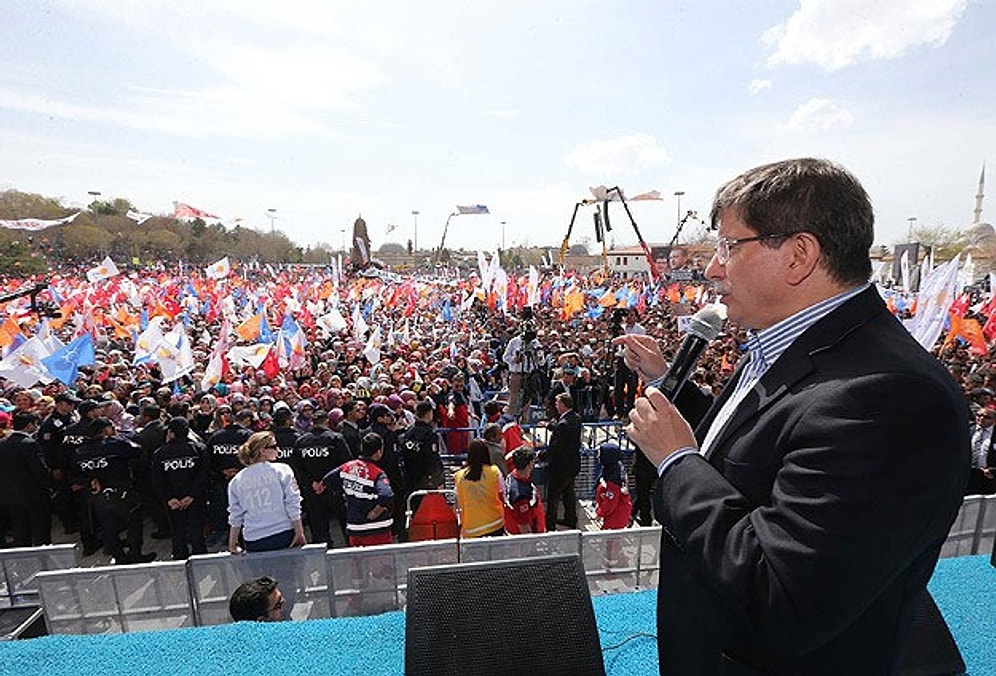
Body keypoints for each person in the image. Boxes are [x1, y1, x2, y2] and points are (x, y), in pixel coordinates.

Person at [615, 158, 969, 674]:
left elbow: (786, 599)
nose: (712, 268)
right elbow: (758, 447)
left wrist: (676, 460)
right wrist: (671, 395)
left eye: (729, 247)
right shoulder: (789, 345)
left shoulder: (890, 398)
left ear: (799, 256)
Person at [73, 417, 156, 564]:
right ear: (106, 430)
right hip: (122, 491)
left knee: (108, 526)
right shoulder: (115, 444)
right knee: (133, 522)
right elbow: (137, 450)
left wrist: (89, 481)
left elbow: (74, 476)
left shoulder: (79, 451)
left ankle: (119, 557)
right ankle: (135, 554)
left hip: (97, 495)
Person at [227, 431, 306, 553]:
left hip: (254, 538)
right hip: (283, 532)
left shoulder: (236, 481)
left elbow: (235, 515)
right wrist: (299, 532)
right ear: (262, 450)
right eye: (274, 447)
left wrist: (233, 543)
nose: (278, 450)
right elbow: (293, 502)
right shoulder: (282, 470)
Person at [151, 417, 210, 560]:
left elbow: (157, 480)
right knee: (196, 531)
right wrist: (192, 495)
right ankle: (201, 560)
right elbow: (204, 476)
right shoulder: (199, 449)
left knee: (177, 532)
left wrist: (169, 498)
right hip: (194, 499)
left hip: (174, 501)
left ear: (171, 433)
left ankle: (179, 559)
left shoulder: (160, 453)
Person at [323, 432, 395, 547]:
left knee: (358, 563)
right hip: (377, 529)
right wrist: (376, 511)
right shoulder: (377, 473)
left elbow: (327, 480)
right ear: (379, 452)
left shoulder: (347, 467)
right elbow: (387, 495)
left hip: (354, 528)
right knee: (382, 563)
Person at [293, 410, 352, 546]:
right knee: (346, 524)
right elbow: (346, 464)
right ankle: (351, 551)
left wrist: (312, 483)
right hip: (336, 489)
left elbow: (297, 468)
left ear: (312, 423)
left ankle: (322, 558)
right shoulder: (336, 438)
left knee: (319, 529)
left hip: (313, 491)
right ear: (327, 421)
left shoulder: (301, 441)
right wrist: (327, 482)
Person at [0, 411, 52, 546]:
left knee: (21, 531)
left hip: (11, 496)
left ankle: (25, 561)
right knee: (41, 530)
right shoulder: (29, 443)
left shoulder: (3, 444)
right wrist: (50, 486)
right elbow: (39, 469)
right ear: (29, 425)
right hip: (34, 495)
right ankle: (43, 560)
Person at [543, 392, 581, 532]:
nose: (555, 406)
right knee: (568, 494)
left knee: (553, 497)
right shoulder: (575, 418)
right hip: (572, 466)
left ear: (564, 405)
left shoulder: (564, 424)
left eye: (557, 403)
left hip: (561, 467)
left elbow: (557, 446)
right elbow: (563, 430)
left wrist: (542, 455)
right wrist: (550, 426)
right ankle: (570, 519)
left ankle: (550, 525)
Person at [453, 439, 505, 538]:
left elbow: (457, 502)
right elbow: (502, 495)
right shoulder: (494, 471)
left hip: (471, 529)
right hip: (496, 524)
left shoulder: (459, 476)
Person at [399, 400, 445, 491]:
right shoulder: (429, 434)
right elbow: (432, 459)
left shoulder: (408, 432)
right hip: (426, 482)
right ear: (429, 413)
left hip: (410, 479)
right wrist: (439, 481)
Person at [503, 447, 546, 535]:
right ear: (530, 464)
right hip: (522, 541)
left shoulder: (513, 476)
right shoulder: (520, 496)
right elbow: (524, 528)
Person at [594, 442, 631, 530]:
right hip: (616, 512)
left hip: (615, 516)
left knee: (611, 540)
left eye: (600, 455)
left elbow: (610, 501)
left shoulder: (614, 479)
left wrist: (600, 513)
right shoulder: (614, 467)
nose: (598, 457)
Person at [967, 406, 996, 495]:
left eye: (987, 417)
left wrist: (993, 471)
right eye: (979, 415)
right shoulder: (968, 430)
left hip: (988, 476)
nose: (981, 418)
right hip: (968, 475)